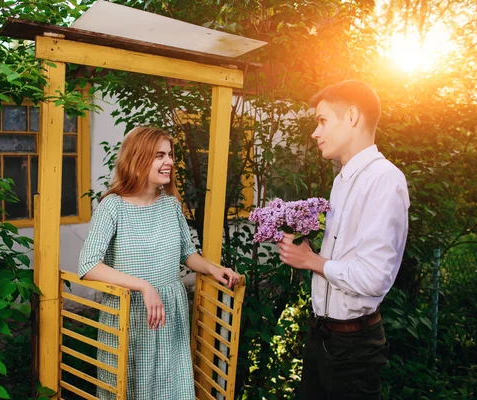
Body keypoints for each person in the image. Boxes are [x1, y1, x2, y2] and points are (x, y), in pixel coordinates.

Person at [78, 126, 240, 400]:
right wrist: (144, 286)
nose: (170, 162)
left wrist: (214, 268)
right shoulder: (112, 206)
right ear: (138, 159)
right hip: (130, 315)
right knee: (130, 388)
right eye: (159, 156)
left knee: (169, 388)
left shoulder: (171, 205)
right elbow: (89, 265)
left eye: (170, 154)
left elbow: (186, 253)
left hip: (168, 314)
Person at [277, 80, 410, 399]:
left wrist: (312, 262)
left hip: (353, 350)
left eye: (322, 120)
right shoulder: (342, 179)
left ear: (352, 116)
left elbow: (373, 278)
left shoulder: (384, 180)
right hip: (321, 337)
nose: (315, 132)